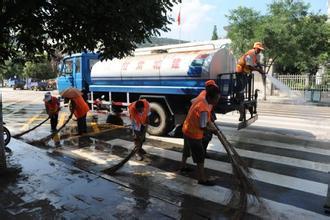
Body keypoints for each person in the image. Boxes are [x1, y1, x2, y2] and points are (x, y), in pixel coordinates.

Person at [181, 86, 220, 186]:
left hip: (187, 128)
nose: (217, 101)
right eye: (216, 99)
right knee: (200, 156)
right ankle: (202, 179)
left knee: (187, 149)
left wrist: (212, 125)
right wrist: (213, 130)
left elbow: (207, 120)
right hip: (193, 133)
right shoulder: (203, 109)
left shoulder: (201, 99)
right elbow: (203, 127)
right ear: (211, 98)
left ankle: (183, 166)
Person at [236, 42, 266, 121]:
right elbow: (249, 66)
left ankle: (241, 99)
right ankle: (239, 100)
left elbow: (257, 63)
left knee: (242, 89)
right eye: (259, 49)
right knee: (240, 90)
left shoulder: (255, 55)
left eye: (260, 50)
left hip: (245, 73)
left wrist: (261, 68)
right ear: (255, 48)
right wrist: (259, 70)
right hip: (241, 72)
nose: (260, 51)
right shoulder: (249, 55)